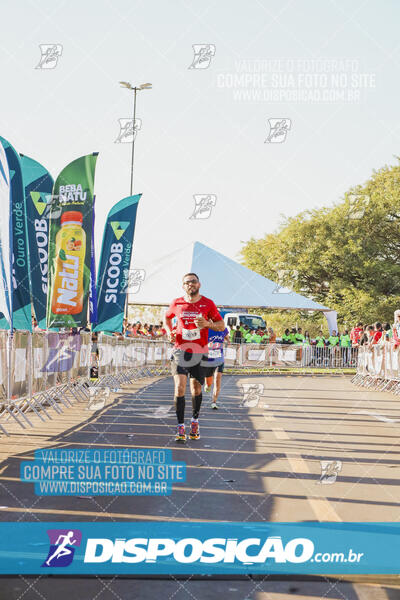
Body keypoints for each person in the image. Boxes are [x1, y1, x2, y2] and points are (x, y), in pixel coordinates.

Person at [165, 273, 225, 442]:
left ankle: (195, 421)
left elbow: (221, 326)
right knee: (179, 388)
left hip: (199, 351)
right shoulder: (176, 303)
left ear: (199, 284)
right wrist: (169, 332)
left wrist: (208, 324)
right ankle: (180, 427)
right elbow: (166, 317)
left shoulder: (208, 303)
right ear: (183, 286)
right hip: (180, 350)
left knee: (196, 389)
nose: (190, 284)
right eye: (186, 282)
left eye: (193, 282)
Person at [203, 326, 229, 409]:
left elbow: (227, 339)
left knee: (217, 380)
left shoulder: (223, 329)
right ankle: (207, 385)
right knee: (208, 383)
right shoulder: (206, 329)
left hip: (219, 360)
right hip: (209, 360)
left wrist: (227, 342)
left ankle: (214, 402)